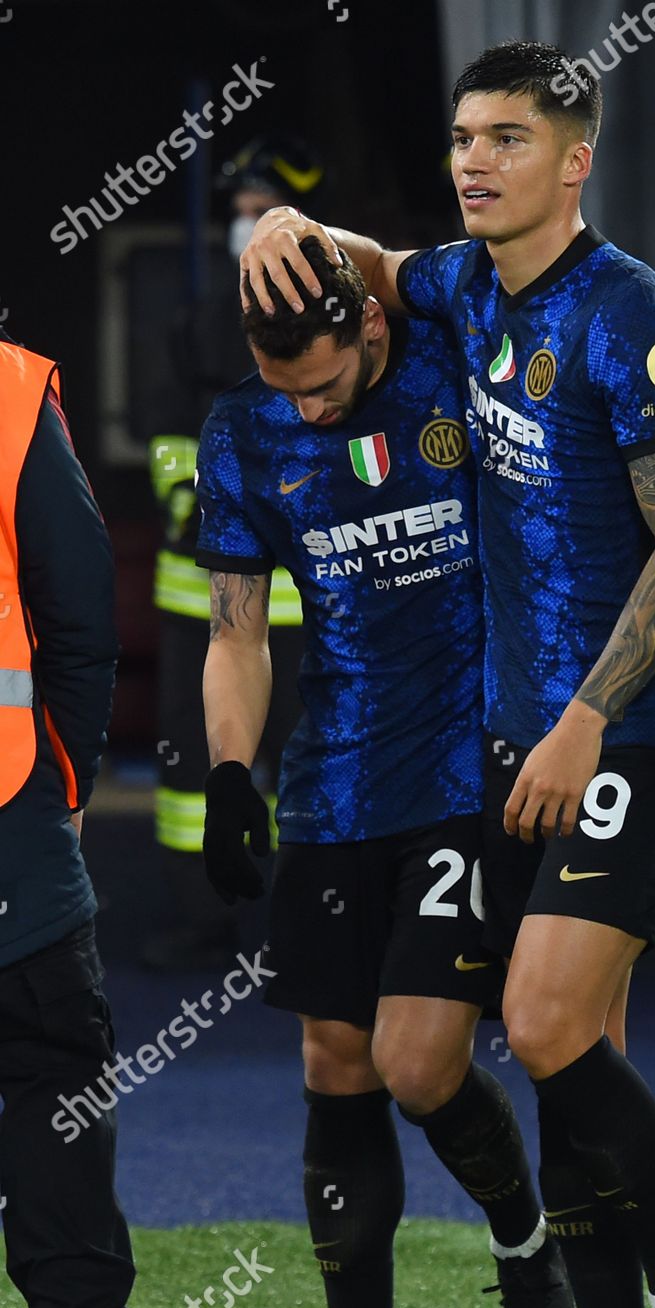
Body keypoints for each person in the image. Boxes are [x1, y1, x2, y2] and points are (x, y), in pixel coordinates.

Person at [240, 38, 655, 1308]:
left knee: (543, 1027)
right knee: (564, 1051)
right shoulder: (466, 287)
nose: (475, 160)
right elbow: (369, 261)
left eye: (510, 139)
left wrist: (586, 718)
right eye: (465, 136)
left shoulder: (624, 311)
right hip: (524, 744)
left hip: (639, 730)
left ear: (575, 161)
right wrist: (287, 227)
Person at [195, 238, 577, 1308]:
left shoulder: (453, 358)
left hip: (465, 777)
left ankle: (529, 1253)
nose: (301, 408)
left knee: (419, 1064)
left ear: (365, 326)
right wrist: (226, 775)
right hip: (332, 790)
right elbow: (240, 630)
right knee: (334, 1063)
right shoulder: (242, 432)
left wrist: (296, 228)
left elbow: (446, 256)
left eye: (317, 381)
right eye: (281, 388)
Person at [0, 331, 213, 1308]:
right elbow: (80, 614)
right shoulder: (9, 393)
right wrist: (66, 783)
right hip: (5, 817)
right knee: (52, 1072)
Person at [144, 134, 317, 971]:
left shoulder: (341, 325)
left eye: (263, 212)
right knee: (196, 766)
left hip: (312, 604)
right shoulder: (201, 320)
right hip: (199, 598)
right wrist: (192, 499)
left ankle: (306, 918)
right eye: (240, 213)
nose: (247, 229)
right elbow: (167, 437)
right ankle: (203, 916)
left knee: (311, 764)